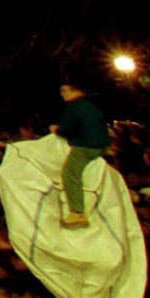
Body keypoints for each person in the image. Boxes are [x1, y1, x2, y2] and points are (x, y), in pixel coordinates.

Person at [54, 74, 110, 227]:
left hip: (85, 146)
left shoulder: (74, 107)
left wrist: (56, 130)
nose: (62, 94)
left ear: (75, 91)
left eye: (65, 91)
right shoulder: (91, 106)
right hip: (101, 147)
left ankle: (77, 213)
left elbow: (66, 129)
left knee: (69, 173)